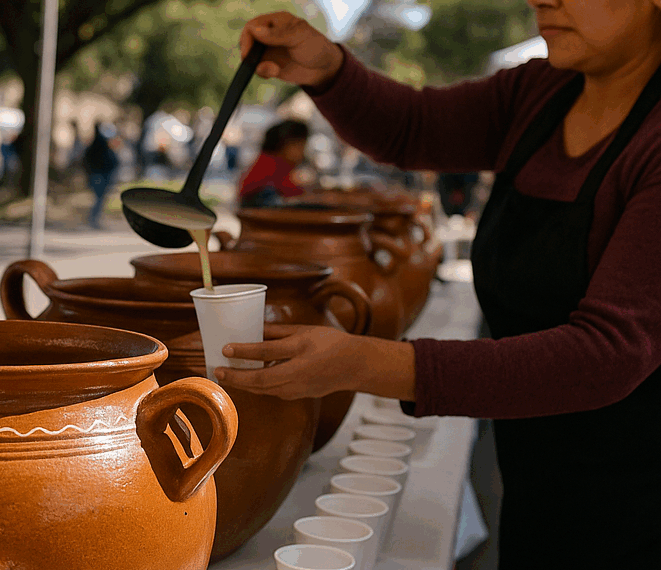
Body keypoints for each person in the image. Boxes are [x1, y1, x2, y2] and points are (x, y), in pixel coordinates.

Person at [218, 6, 661, 567]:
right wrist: (328, 68)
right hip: (539, 474)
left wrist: (367, 365)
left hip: (641, 499)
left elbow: (607, 354)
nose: (540, 0)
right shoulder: (542, 91)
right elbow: (414, 127)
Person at [238, 119, 309, 207]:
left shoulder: (272, 159)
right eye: (300, 146)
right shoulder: (273, 162)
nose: (302, 152)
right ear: (285, 145)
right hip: (255, 205)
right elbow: (287, 189)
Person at [82, 122, 119, 229]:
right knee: (99, 199)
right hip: (99, 174)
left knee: (100, 199)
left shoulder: (103, 145)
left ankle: (95, 219)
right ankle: (93, 219)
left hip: (101, 174)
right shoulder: (99, 145)